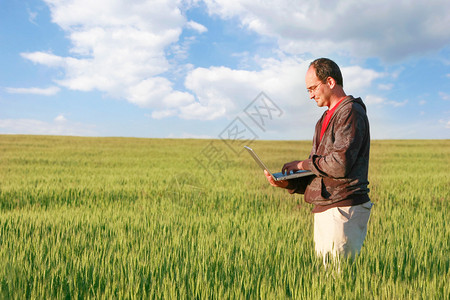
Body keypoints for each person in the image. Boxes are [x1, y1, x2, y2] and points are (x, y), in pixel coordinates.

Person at [264, 58, 373, 262]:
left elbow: (339, 164)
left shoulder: (350, 112)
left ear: (330, 82)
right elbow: (320, 169)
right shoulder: (323, 119)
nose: (311, 95)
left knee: (339, 280)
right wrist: (287, 183)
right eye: (308, 90)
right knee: (326, 279)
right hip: (325, 207)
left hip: (343, 208)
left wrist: (301, 164)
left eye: (313, 88)